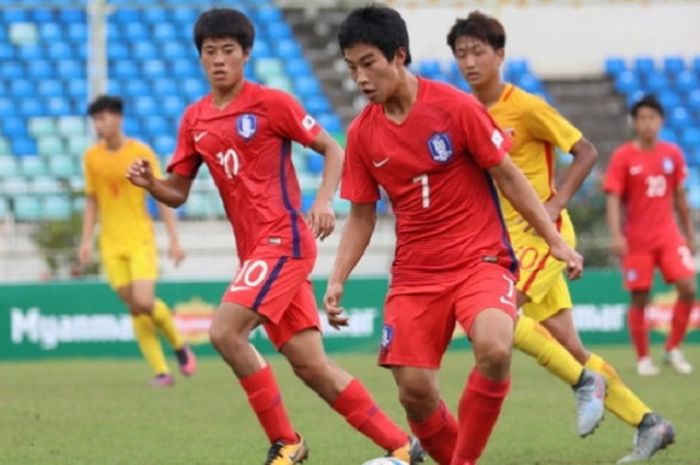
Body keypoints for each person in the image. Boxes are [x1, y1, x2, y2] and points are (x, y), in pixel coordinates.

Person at [126, 8, 422, 465]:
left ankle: (287, 443)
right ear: (200, 58)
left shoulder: (272, 104)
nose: (219, 59)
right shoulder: (194, 120)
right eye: (210, 52)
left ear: (246, 54)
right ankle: (402, 446)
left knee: (225, 333)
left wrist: (324, 202)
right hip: (255, 255)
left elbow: (331, 147)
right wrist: (150, 185)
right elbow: (179, 193)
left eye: (229, 50)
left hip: (284, 241)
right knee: (312, 366)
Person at [325, 6, 583, 465]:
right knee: (414, 393)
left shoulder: (456, 107)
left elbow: (508, 175)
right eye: (351, 68)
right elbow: (361, 216)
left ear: (398, 56)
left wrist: (555, 240)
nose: (360, 78)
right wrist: (338, 277)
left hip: (479, 260)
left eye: (368, 63)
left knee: (495, 346)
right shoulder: (362, 134)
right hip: (414, 275)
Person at [447, 12, 676, 462]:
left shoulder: (527, 107)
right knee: (570, 347)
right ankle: (649, 424)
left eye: (478, 52)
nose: (469, 62)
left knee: (500, 316)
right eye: (460, 54)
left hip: (543, 236)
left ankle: (580, 383)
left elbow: (586, 151)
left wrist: (555, 206)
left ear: (500, 55)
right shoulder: (465, 112)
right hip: (503, 242)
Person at [78, 95, 196, 387]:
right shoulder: (91, 157)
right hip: (110, 243)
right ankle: (161, 372)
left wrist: (173, 238)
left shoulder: (141, 152)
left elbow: (162, 195)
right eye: (95, 120)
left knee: (144, 301)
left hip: (139, 238)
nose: (98, 125)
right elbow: (92, 200)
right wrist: (85, 240)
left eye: (102, 118)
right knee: (134, 307)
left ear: (118, 118)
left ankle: (178, 343)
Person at [605, 94, 696, 377]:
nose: (647, 123)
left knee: (689, 289)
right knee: (640, 298)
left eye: (652, 118)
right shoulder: (623, 156)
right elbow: (613, 198)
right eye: (641, 118)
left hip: (669, 236)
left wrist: (690, 232)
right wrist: (616, 234)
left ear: (661, 121)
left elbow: (680, 197)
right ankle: (643, 358)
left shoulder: (672, 154)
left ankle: (672, 348)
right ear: (634, 122)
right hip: (637, 240)